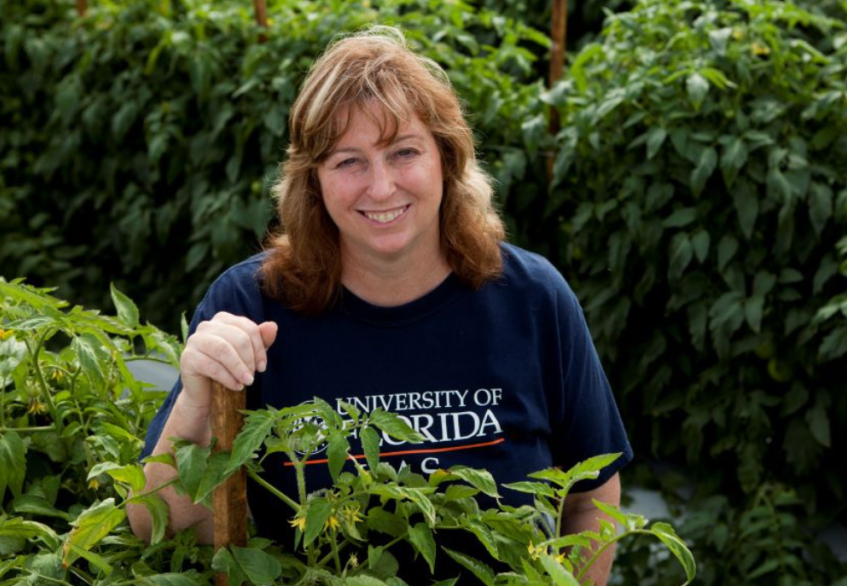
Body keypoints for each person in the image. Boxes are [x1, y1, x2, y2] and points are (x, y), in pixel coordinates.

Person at [128, 26, 632, 585]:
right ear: (313, 181)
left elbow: (592, 497)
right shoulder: (253, 307)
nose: (382, 186)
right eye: (349, 161)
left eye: (404, 152)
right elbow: (160, 529)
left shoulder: (532, 299)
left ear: (446, 158)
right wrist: (196, 403)